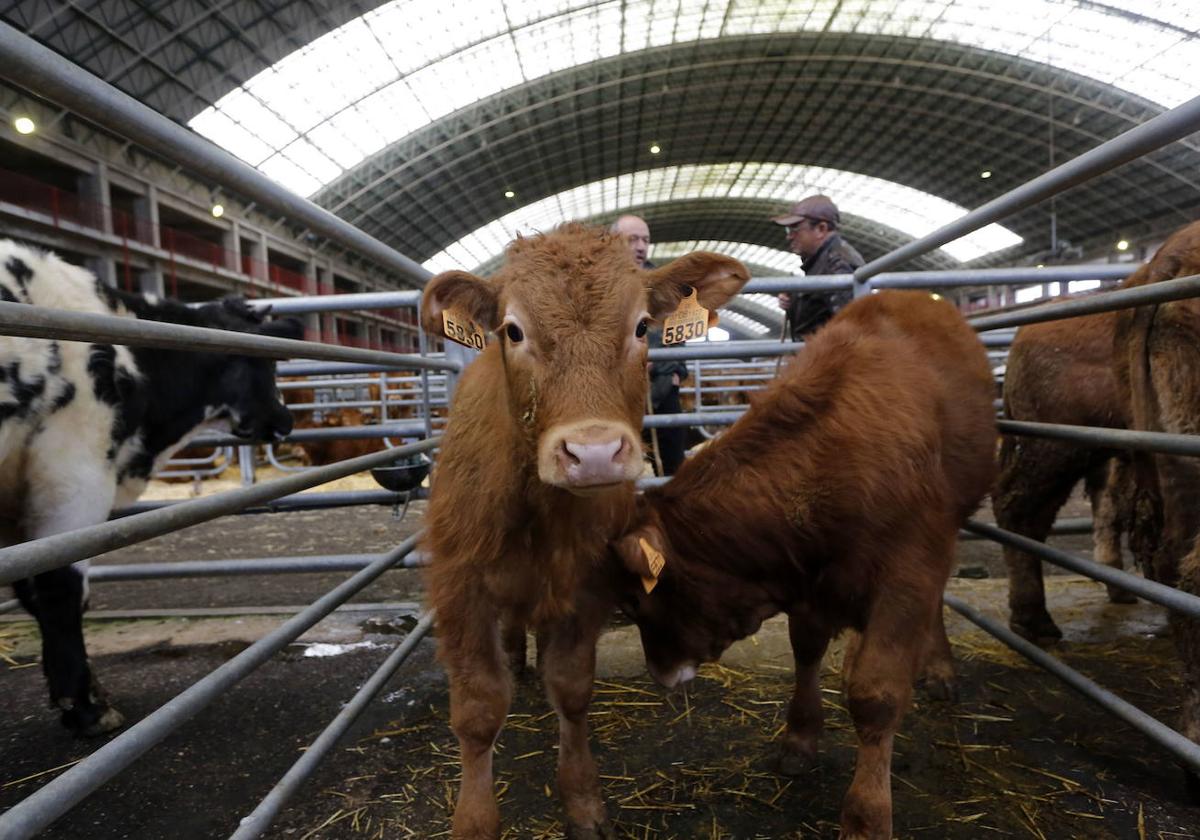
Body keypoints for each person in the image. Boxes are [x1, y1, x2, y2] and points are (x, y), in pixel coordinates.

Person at [612, 214, 688, 475]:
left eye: (645, 240)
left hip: (663, 385)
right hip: (617, 392)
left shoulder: (665, 287)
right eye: (632, 240)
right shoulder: (598, 289)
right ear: (613, 242)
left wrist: (676, 372)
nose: (641, 247)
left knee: (671, 459)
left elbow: (679, 337)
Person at [772, 194, 865, 341]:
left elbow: (853, 329)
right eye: (788, 231)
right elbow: (818, 313)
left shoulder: (839, 264)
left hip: (832, 359)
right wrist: (793, 301)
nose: (789, 237)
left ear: (821, 229)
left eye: (794, 229)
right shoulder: (821, 261)